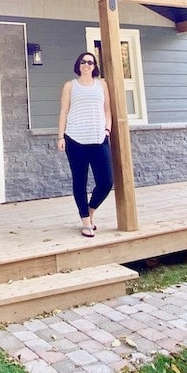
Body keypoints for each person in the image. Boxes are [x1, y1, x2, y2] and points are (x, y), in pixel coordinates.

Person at [57, 51, 113, 237]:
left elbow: (107, 110)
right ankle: (85, 222)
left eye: (90, 62)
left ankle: (90, 212)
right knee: (79, 181)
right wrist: (60, 137)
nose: (87, 64)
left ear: (95, 66)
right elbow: (64, 112)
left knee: (106, 182)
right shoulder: (70, 86)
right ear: (78, 65)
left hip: (99, 139)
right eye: (83, 62)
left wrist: (107, 130)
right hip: (75, 139)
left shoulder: (102, 84)